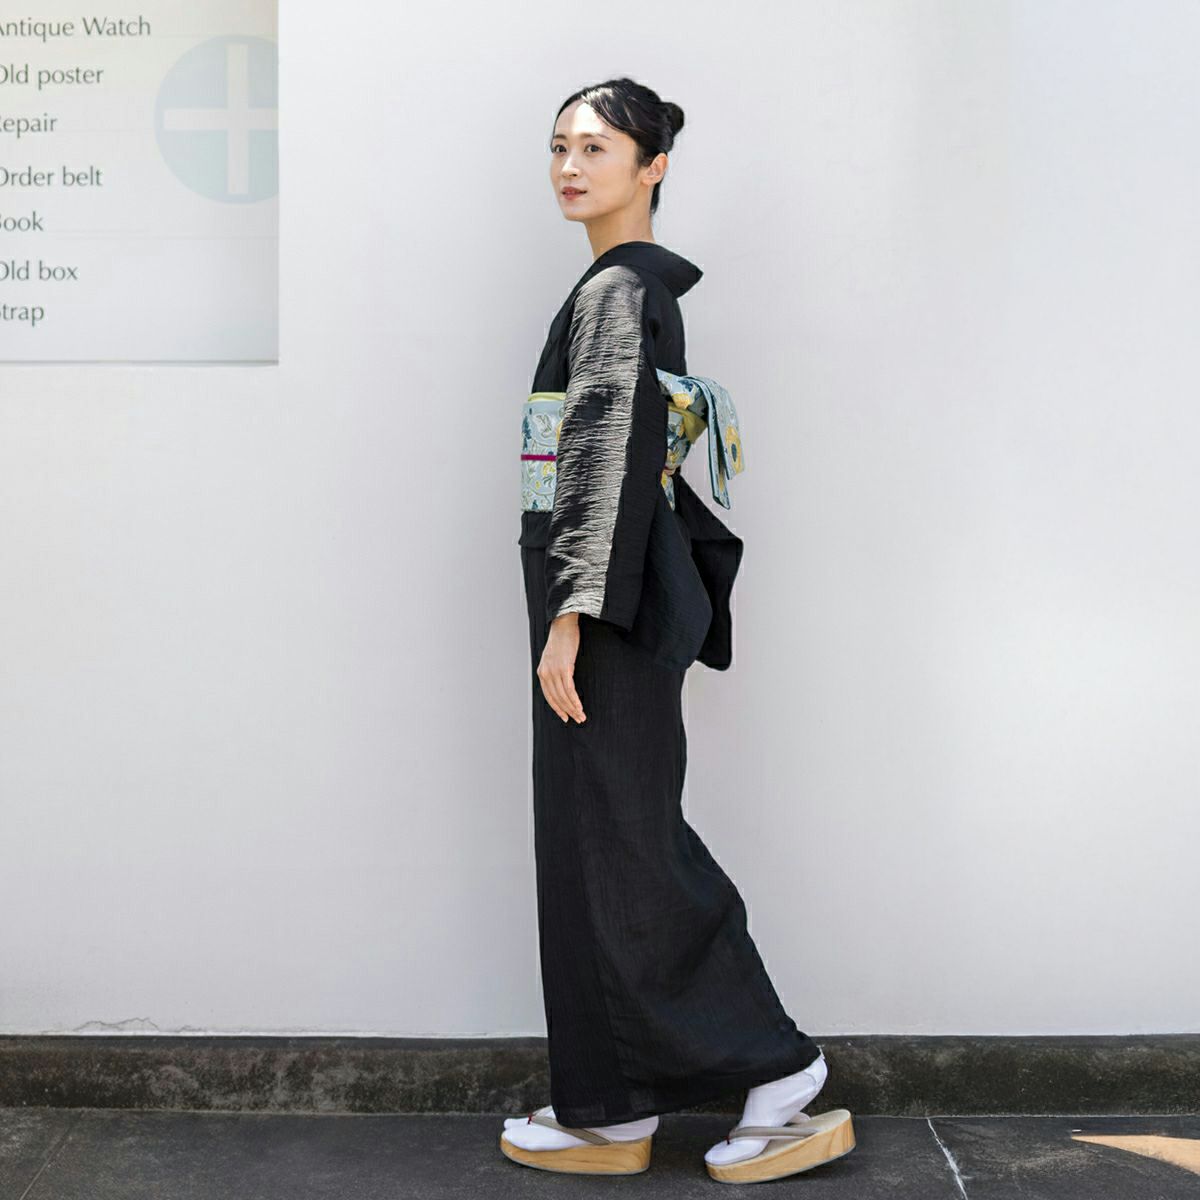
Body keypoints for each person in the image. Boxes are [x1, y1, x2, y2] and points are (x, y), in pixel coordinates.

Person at [500, 77, 855, 1184]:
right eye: (559, 146)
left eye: (596, 148)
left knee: (624, 839)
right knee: (598, 839)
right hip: (606, 600)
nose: (570, 166)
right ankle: (610, 1107)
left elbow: (602, 450)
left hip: (602, 609)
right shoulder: (620, 285)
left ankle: (777, 1068)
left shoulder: (619, 289)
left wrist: (568, 619)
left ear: (652, 167)